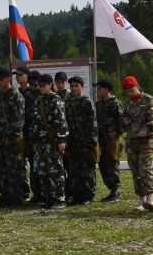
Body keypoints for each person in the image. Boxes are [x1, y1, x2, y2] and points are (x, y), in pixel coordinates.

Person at [30, 74, 70, 209]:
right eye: (39, 86)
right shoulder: (38, 101)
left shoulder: (56, 100)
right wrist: (34, 141)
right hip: (41, 141)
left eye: (43, 85)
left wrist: (61, 139)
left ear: (50, 85)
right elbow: (34, 122)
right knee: (42, 170)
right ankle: (48, 197)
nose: (40, 88)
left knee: (56, 170)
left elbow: (61, 121)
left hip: (53, 141)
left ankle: (59, 198)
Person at [0, 67, 26, 208]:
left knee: (14, 170)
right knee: (1, 171)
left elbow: (19, 120)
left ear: (8, 79)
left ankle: (16, 198)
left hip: (11, 141)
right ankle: (5, 197)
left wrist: (11, 137)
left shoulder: (16, 96)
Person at [121, 76, 153, 212]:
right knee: (135, 172)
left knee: (144, 170)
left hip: (146, 142)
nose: (130, 93)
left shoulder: (148, 99)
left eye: (131, 89)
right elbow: (123, 121)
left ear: (137, 86)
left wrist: (145, 130)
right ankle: (142, 200)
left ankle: (150, 198)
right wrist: (123, 123)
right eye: (127, 91)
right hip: (132, 143)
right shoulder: (127, 104)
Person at [65, 76, 99, 205]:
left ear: (82, 87)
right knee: (74, 171)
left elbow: (92, 125)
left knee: (87, 171)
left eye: (76, 86)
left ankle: (88, 196)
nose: (73, 88)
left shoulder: (87, 102)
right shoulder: (68, 103)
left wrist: (89, 143)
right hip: (72, 143)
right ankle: (76, 195)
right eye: (72, 86)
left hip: (85, 142)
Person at [94, 80, 124, 202]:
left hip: (111, 140)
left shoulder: (116, 103)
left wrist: (117, 132)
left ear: (106, 89)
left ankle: (116, 191)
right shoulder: (98, 104)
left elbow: (122, 121)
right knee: (102, 164)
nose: (98, 91)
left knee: (112, 163)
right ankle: (111, 190)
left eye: (99, 88)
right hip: (100, 139)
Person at [15, 67, 37, 203]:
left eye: (20, 75)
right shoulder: (17, 92)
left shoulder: (34, 92)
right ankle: (23, 192)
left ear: (27, 76)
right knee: (21, 163)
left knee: (35, 165)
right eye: (16, 75)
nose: (18, 77)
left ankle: (38, 192)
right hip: (21, 133)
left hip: (32, 132)